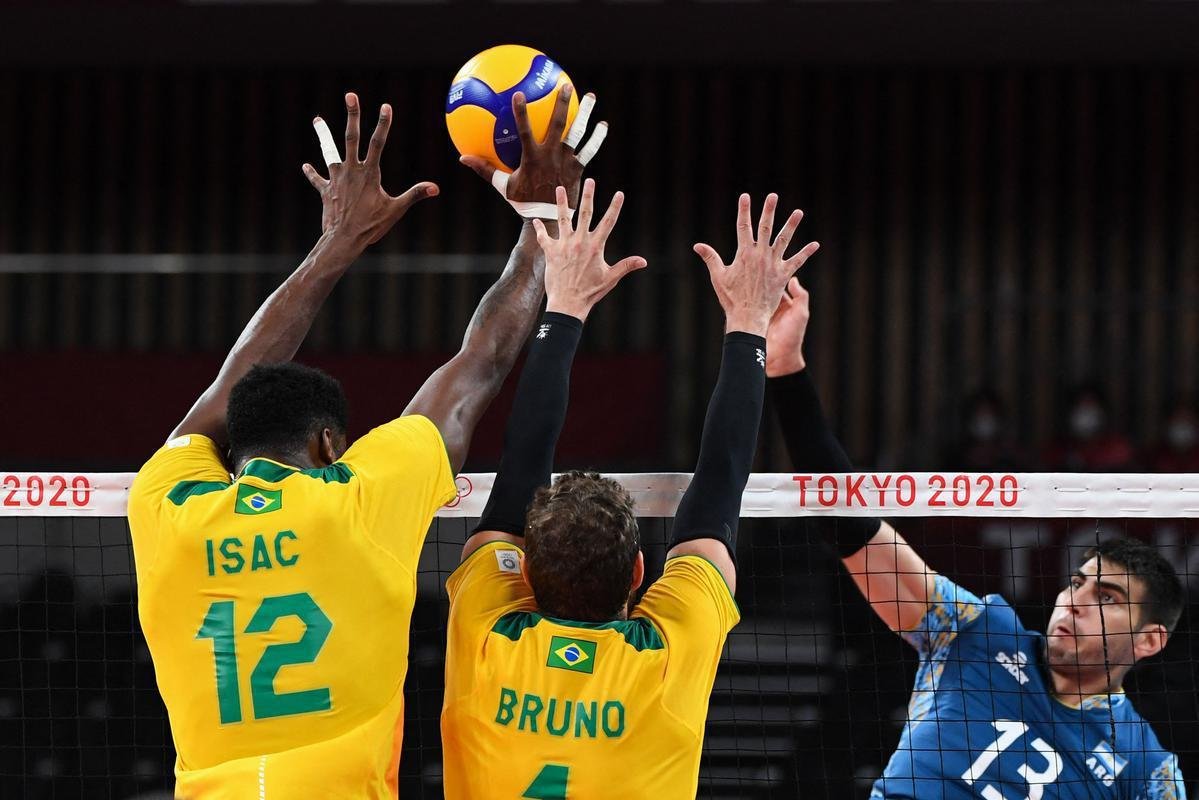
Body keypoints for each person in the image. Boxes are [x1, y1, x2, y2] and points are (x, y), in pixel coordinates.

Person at [126, 86, 605, 798]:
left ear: (231, 449)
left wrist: (335, 243)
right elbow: (481, 364)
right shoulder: (363, 497)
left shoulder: (165, 506)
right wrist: (540, 223)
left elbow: (226, 393)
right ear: (328, 443)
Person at [440, 189, 819, 799]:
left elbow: (715, 495)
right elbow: (718, 487)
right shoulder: (662, 656)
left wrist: (563, 306)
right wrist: (750, 323)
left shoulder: (486, 635)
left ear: (528, 572)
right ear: (638, 570)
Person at [765, 277, 1187, 798]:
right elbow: (851, 523)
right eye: (1077, 584)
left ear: (1149, 639)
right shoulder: (975, 632)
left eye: (1107, 599)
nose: (1074, 603)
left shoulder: (1147, 772)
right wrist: (786, 369)